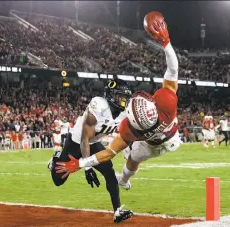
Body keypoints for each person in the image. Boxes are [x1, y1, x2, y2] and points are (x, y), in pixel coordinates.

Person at [55, 13, 182, 191]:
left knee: (133, 158)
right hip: (172, 137)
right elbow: (173, 70)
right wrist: (166, 42)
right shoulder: (166, 104)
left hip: (148, 146)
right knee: (132, 156)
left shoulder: (129, 130)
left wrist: (82, 163)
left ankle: (123, 180)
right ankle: (123, 179)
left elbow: (107, 153)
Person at [48, 79, 133, 223]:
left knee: (109, 172)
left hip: (93, 143)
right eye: (121, 97)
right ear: (112, 94)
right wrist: (87, 168)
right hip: (76, 141)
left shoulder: (125, 113)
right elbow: (84, 139)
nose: (124, 101)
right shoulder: (98, 106)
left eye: (125, 98)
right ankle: (55, 158)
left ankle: (117, 211)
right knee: (58, 180)